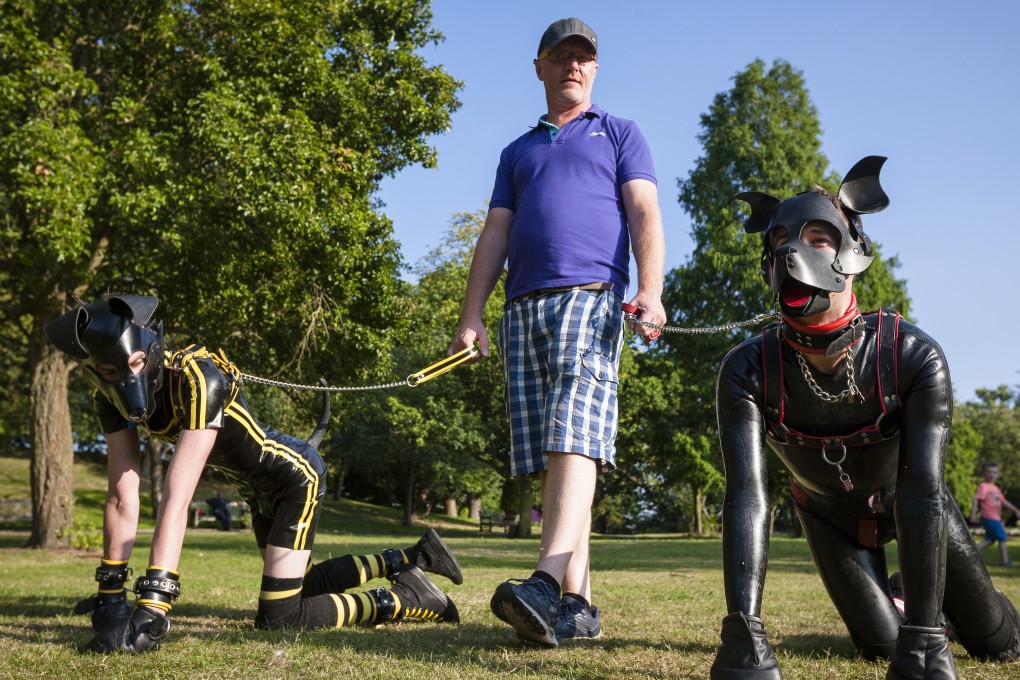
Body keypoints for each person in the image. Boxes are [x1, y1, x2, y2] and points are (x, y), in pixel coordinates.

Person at [711, 157, 1020, 679]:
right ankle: (902, 602)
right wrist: (744, 629)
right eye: (781, 239)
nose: (793, 250)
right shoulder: (748, 369)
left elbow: (924, 489)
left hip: (914, 506)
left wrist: (925, 640)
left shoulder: (911, 356)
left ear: (853, 251)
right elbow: (747, 494)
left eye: (818, 238)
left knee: (997, 644)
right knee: (879, 646)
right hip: (827, 514)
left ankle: (928, 609)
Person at [47, 295, 463, 654]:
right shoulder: (111, 397)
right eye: (111, 372)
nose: (128, 378)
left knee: (280, 615)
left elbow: (177, 495)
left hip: (294, 480)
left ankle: (406, 597)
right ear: (96, 370)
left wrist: (154, 606)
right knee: (305, 582)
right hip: (255, 489)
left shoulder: (198, 378)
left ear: (151, 345)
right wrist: (110, 593)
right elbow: (123, 496)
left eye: (137, 362)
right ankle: (411, 558)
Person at [448, 17, 666, 647]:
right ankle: (579, 606)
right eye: (562, 56)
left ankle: (543, 581)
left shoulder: (620, 133)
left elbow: (644, 210)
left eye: (584, 58)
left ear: (594, 69)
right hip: (522, 308)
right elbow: (494, 233)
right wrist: (471, 315)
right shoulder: (517, 151)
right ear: (539, 66)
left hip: (592, 299)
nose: (574, 65)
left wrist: (648, 290)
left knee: (577, 433)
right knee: (557, 455)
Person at [971, 462, 1020, 566]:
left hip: (995, 518)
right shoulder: (983, 486)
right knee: (1002, 537)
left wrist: (1015, 509)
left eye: (994, 472)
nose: (992, 474)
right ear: (983, 474)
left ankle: (970, 554)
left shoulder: (995, 488)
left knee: (990, 539)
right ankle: (1005, 562)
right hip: (988, 517)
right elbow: (976, 499)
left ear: (998, 475)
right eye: (989, 472)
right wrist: (973, 514)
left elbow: (1004, 501)